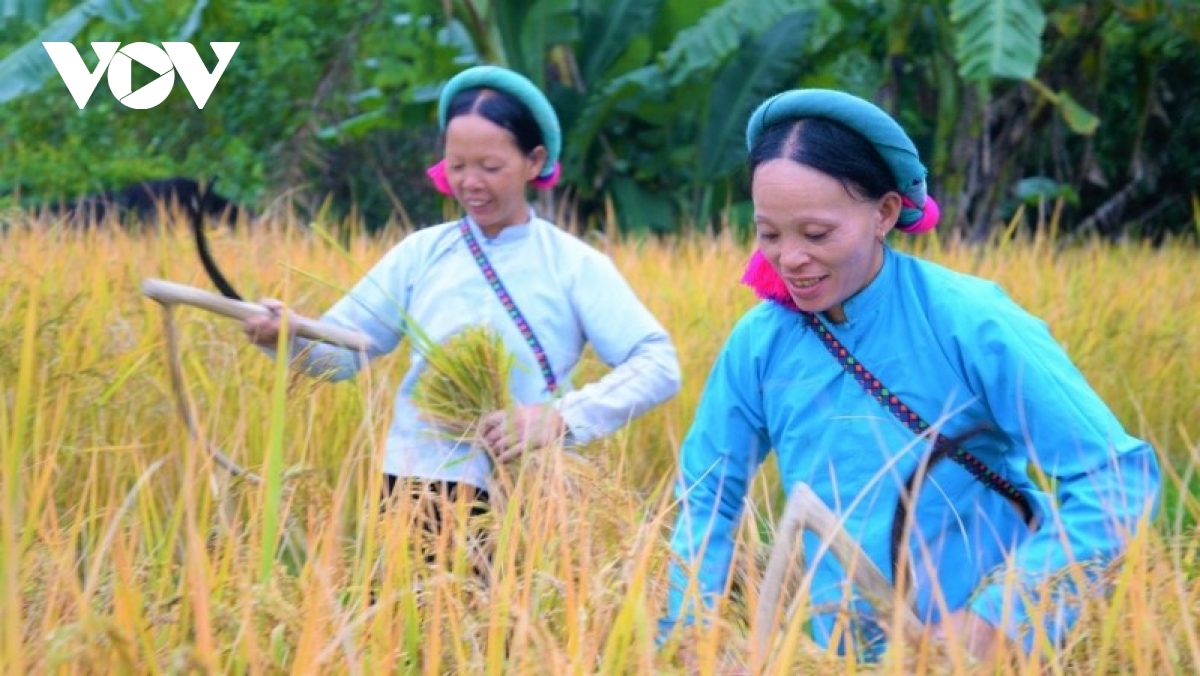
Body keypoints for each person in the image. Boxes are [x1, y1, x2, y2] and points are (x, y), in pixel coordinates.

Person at [656, 89, 1161, 662]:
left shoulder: (970, 321)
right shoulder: (760, 343)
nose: (790, 258)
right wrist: (687, 637)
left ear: (885, 214)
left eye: (816, 234)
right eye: (769, 234)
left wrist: (998, 618)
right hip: (840, 655)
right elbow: (706, 498)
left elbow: (1115, 477)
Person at [241, 64, 682, 565]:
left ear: (534, 160)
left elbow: (658, 364)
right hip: (414, 492)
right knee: (408, 637)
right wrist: (283, 336)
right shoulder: (421, 254)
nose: (471, 183)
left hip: (526, 493)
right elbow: (341, 356)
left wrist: (559, 418)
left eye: (490, 167)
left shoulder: (573, 265)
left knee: (518, 637)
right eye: (457, 166)